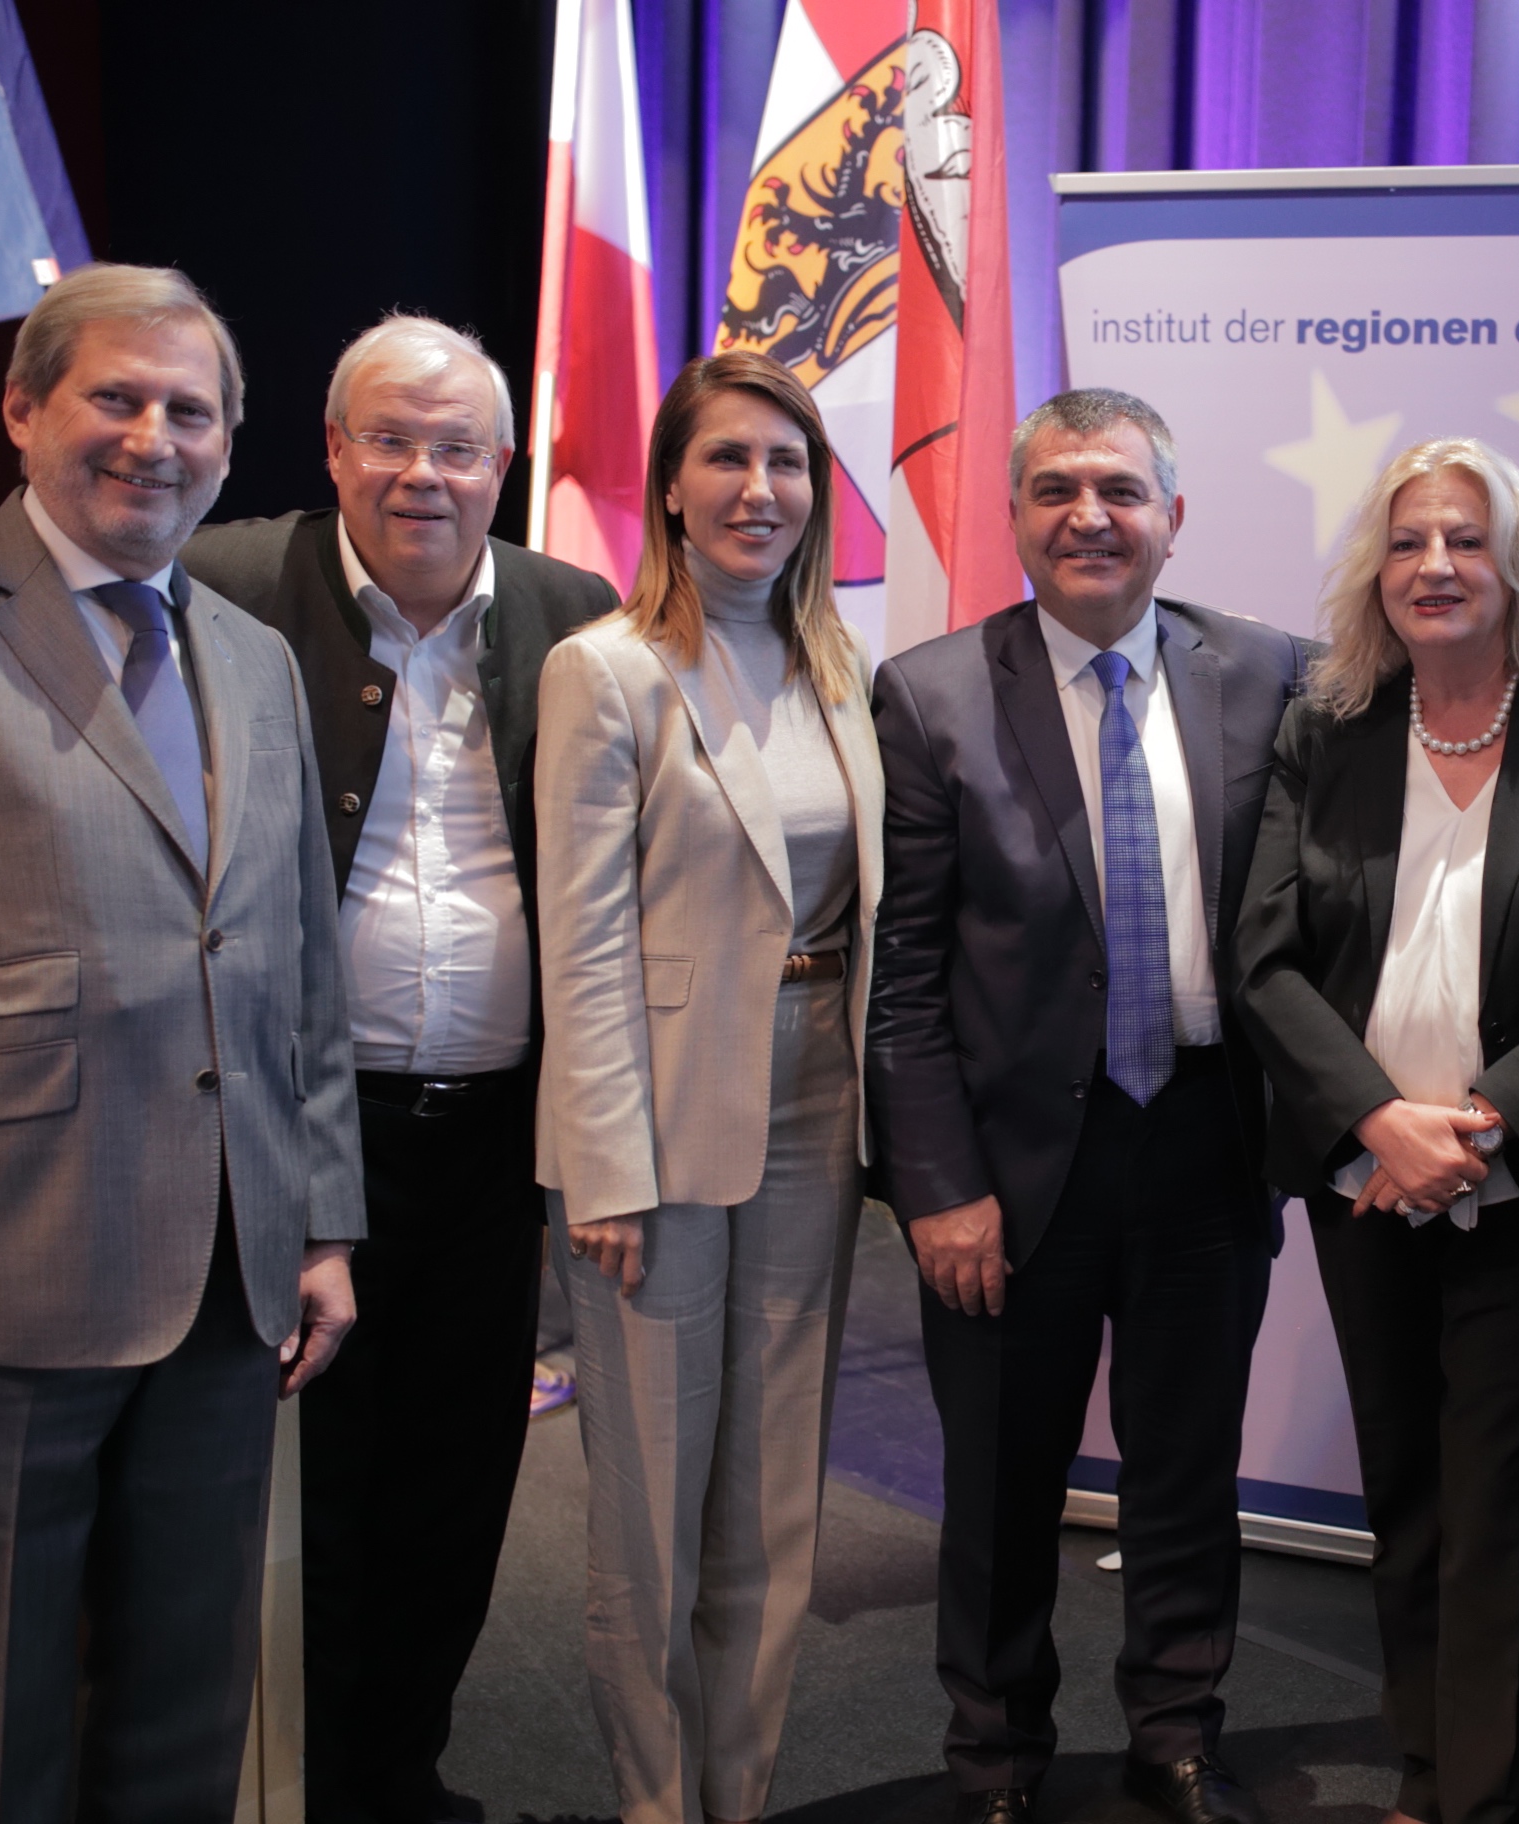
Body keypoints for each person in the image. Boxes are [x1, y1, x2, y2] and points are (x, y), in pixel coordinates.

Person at [0, 262, 363, 1818]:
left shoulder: (252, 658)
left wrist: (321, 1222)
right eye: (119, 396)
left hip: (232, 1275)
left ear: (231, 447)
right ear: (23, 410)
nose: (154, 437)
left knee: (184, 1711)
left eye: (193, 410)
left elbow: (299, 967)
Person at [181, 312, 617, 1824]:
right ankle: (291, 1779)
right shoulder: (228, 584)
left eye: (455, 446)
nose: (420, 473)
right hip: (301, 1126)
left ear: (506, 463)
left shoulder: (576, 611)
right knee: (313, 1481)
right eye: (389, 438)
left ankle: (396, 1774)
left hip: (498, 1135)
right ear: (332, 449)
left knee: (458, 1477)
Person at [866, 389, 1306, 1824]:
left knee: (1186, 1472)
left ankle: (1176, 1735)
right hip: (1009, 1166)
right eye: (1054, 490)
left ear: (1174, 518)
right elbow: (909, 978)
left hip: (1201, 1140)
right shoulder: (932, 695)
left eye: (1120, 490)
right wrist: (936, 1183)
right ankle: (995, 1759)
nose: (1088, 517)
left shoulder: (1270, 678)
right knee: (1001, 1487)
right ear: (1014, 519)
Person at [1239, 437, 1519, 1824]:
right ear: (1378, 568)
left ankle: (1474, 1801)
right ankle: (1426, 1772)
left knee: (1499, 1509)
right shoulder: (1325, 727)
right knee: (1408, 1493)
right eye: (1412, 540)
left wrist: (1476, 1136)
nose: (1436, 565)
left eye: (1467, 541)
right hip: (1370, 1181)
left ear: (1518, 569)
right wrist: (1380, 1124)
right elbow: (1268, 958)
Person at [532, 351, 883, 1824]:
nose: (760, 490)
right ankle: (654, 1798)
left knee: (771, 1497)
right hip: (657, 1135)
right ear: (671, 487)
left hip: (815, 1113)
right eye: (728, 459)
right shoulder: (605, 667)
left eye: (788, 462)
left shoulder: (838, 662)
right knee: (652, 1516)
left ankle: (742, 1790)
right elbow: (584, 933)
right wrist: (601, 1165)